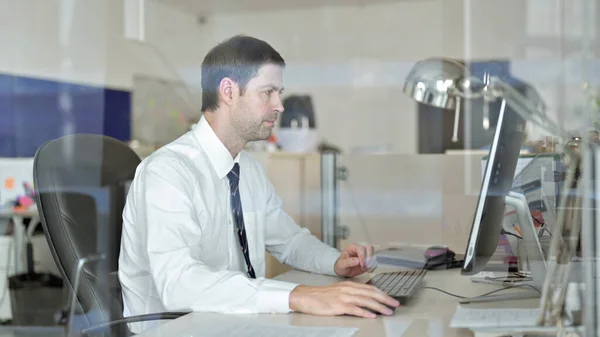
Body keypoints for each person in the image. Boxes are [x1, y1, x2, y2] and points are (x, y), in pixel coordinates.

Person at [118, 35, 399, 333]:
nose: (279, 105)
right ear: (228, 91)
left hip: (236, 324)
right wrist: (298, 295)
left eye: (279, 92)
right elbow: (178, 284)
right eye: (268, 92)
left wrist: (335, 262)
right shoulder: (168, 172)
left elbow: (289, 241)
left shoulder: (246, 168)